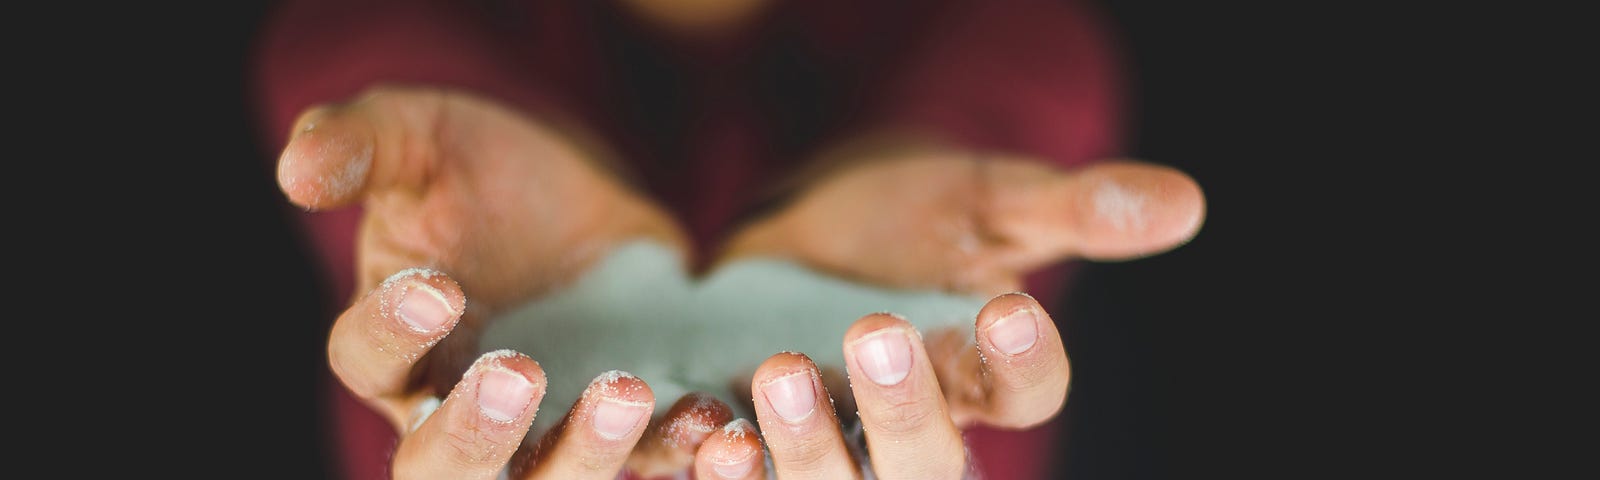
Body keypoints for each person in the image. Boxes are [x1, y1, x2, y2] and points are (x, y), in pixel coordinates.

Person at [251, 0, 1206, 478]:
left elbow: (1023, 73)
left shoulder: (1009, 34)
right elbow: (357, 61)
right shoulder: (368, 29)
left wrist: (906, 161)